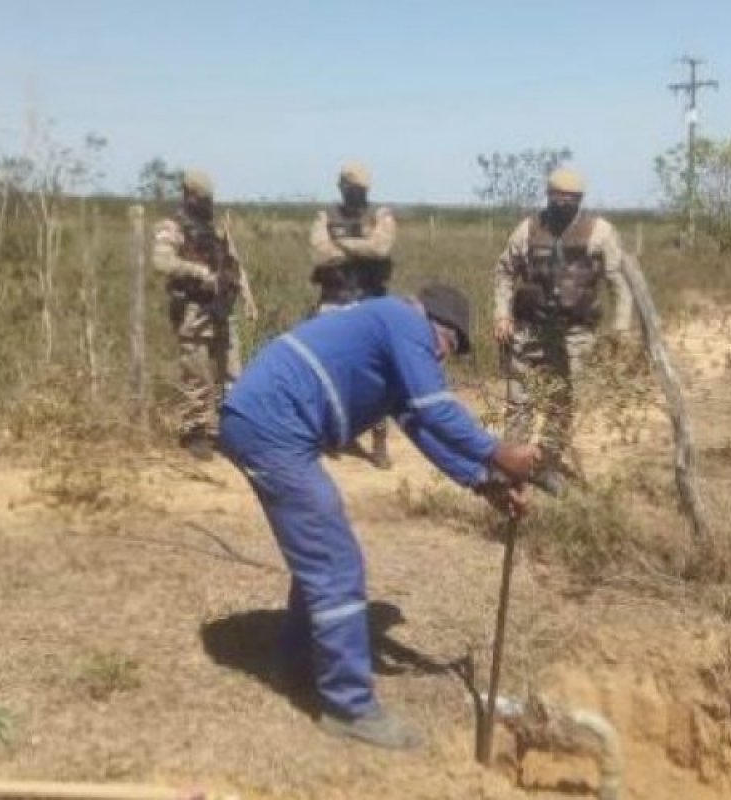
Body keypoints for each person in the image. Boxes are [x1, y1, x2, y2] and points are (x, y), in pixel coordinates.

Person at [218, 285, 538, 751]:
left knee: (320, 551)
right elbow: (436, 408)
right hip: (272, 426)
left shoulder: (391, 342)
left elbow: (423, 426)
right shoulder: (403, 320)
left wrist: (482, 480)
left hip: (266, 422)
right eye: (448, 345)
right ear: (434, 323)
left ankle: (295, 662)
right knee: (336, 562)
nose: (442, 358)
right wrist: (499, 452)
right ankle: (348, 708)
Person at [492, 167, 633, 496]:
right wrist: (501, 315)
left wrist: (620, 329)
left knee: (562, 403)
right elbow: (504, 271)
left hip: (575, 334)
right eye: (558, 197)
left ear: (581, 199)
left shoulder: (600, 232)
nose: (564, 204)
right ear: (548, 196)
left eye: (571, 199)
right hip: (529, 329)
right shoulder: (528, 229)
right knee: (519, 400)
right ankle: (512, 466)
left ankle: (546, 465)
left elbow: (619, 283)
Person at [152, 170, 257, 460]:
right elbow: (161, 261)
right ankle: (196, 432)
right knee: (197, 374)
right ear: (189, 195)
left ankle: (232, 430)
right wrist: (198, 272)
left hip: (222, 307)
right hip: (193, 309)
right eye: (202, 197)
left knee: (233, 373)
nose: (207, 203)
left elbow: (233, 262)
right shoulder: (172, 227)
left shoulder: (216, 226)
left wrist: (247, 295)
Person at [308, 162, 397, 469]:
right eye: (352, 189)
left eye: (361, 190)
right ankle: (328, 431)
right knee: (327, 368)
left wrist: (341, 245)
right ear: (341, 188)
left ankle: (379, 437)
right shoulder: (325, 216)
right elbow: (320, 254)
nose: (357, 194)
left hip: (370, 302)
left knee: (377, 370)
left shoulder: (381, 215)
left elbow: (381, 248)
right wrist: (361, 247)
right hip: (334, 301)